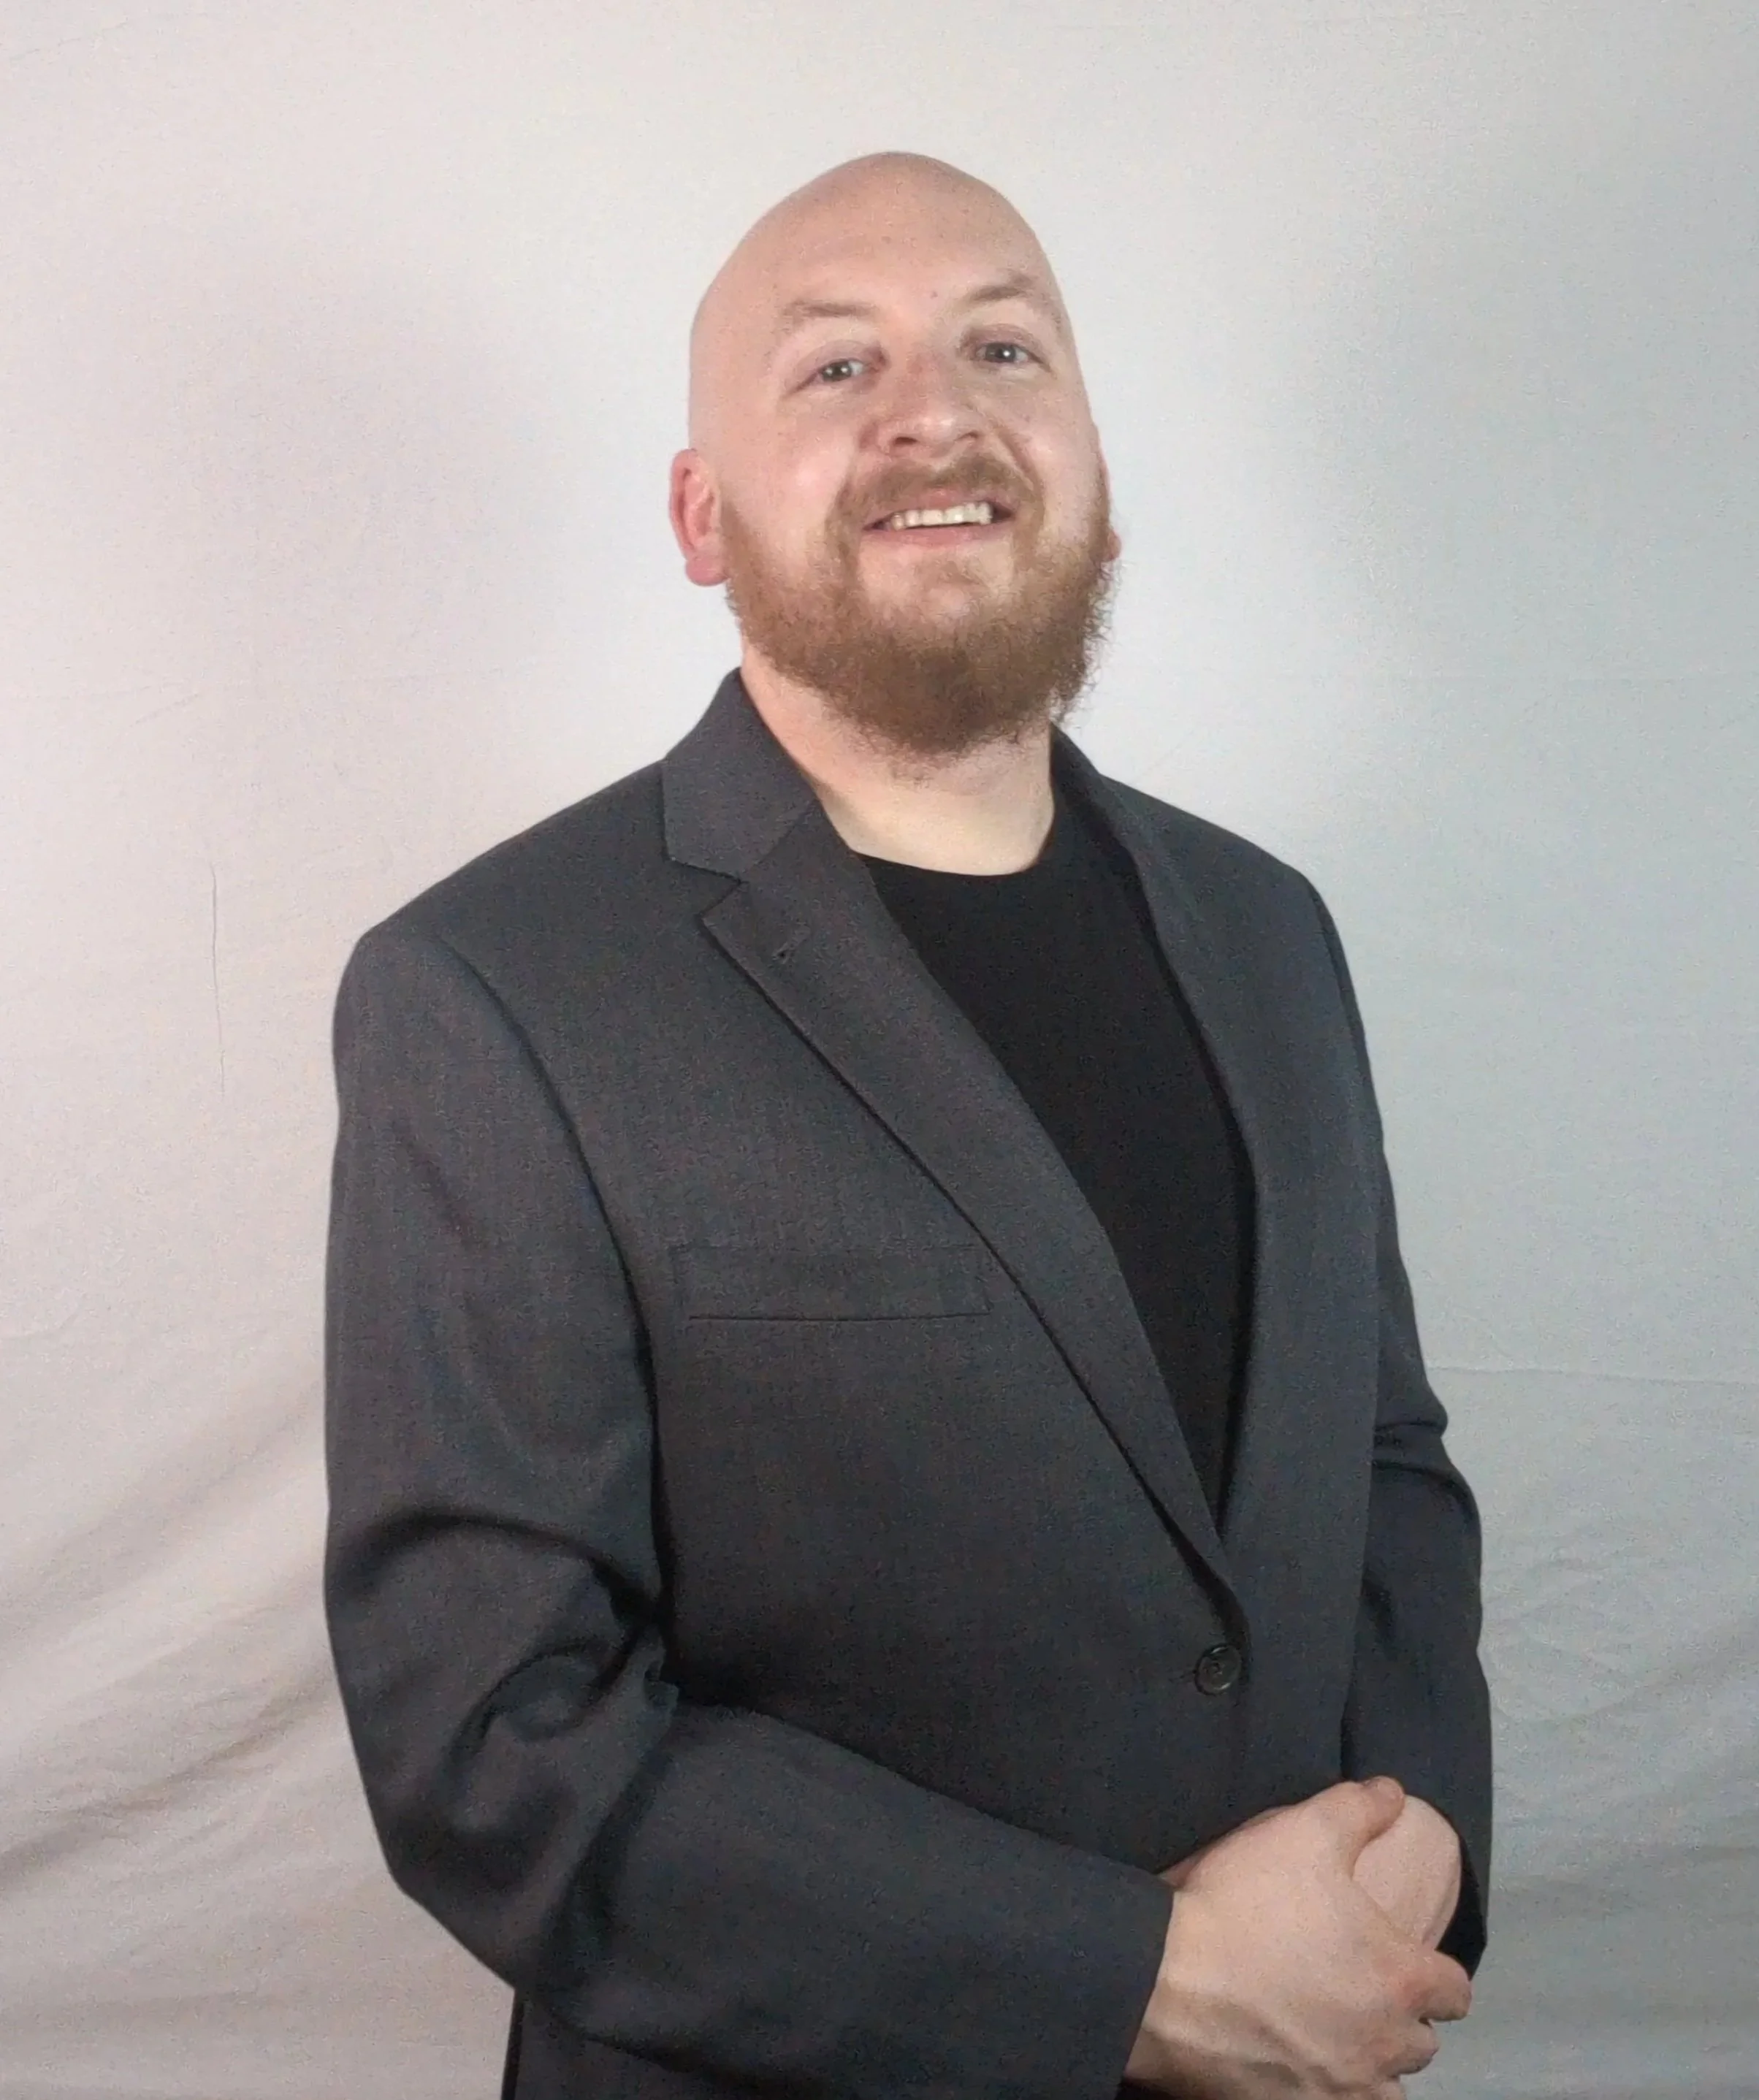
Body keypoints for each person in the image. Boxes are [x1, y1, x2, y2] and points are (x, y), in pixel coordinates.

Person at [324, 153, 1491, 2100]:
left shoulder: (1273, 929)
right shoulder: (490, 991)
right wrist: (1138, 1984)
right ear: (700, 516)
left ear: (1093, 461)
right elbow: (497, 1740)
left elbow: (1382, 1465)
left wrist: (1415, 1847)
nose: (934, 411)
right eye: (836, 366)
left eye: (1003, 347)